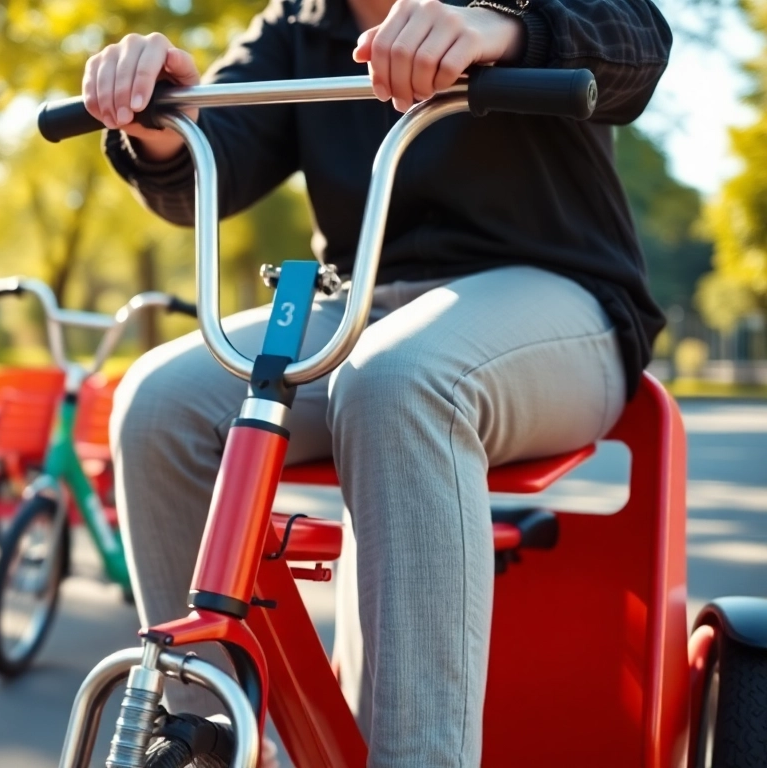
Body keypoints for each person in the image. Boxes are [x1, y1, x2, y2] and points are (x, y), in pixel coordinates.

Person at [85, 0, 671, 764]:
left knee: (397, 380)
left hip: (556, 299)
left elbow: (639, 42)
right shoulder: (301, 23)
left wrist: (502, 32)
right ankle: (216, 741)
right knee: (157, 403)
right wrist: (158, 115)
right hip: (363, 306)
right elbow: (206, 168)